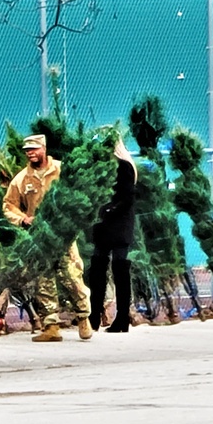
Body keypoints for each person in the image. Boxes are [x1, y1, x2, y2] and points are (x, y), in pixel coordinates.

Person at [3, 134, 94, 342]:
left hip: (63, 235)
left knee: (72, 277)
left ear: (44, 148)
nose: (30, 153)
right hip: (40, 238)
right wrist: (23, 219)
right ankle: (51, 325)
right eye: (27, 150)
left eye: (34, 149)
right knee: (44, 281)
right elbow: (9, 205)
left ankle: (83, 317)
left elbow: (79, 194)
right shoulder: (21, 179)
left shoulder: (61, 170)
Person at [89, 137, 138, 332]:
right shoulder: (99, 167)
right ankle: (94, 315)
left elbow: (127, 198)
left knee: (120, 270)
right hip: (103, 227)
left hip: (119, 226)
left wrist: (109, 210)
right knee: (97, 270)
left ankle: (122, 317)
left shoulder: (124, 166)